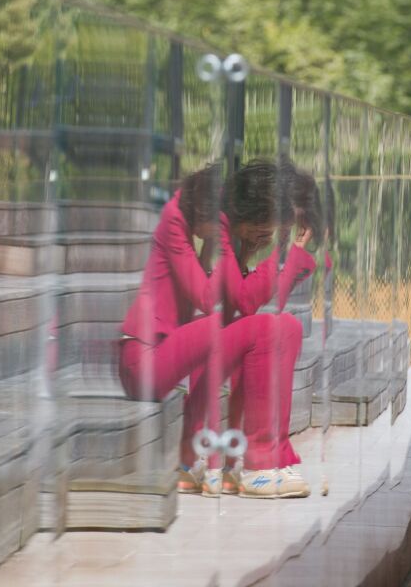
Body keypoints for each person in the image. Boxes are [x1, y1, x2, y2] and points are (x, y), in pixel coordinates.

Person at [117, 161, 314, 499]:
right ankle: (256, 465)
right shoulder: (178, 221)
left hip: (174, 349)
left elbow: (243, 301)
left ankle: (225, 460)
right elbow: (213, 300)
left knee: (287, 327)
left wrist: (249, 254)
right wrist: (285, 254)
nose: (265, 237)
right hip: (145, 358)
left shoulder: (217, 226)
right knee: (262, 328)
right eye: (264, 228)